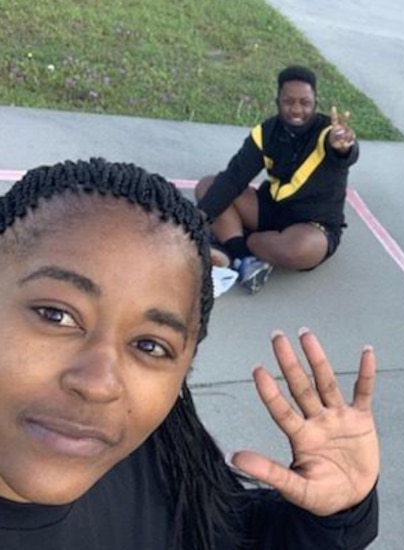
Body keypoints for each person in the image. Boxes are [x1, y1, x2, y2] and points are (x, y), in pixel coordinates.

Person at [0, 158, 379, 549]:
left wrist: (331, 517)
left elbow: (220, 533)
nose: (98, 384)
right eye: (56, 315)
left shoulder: (159, 453)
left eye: (150, 346)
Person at [196, 65, 359, 294]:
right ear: (277, 101)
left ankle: (243, 241)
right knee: (208, 186)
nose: (296, 109)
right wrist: (197, 219)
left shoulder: (328, 134)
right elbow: (234, 178)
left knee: (297, 250)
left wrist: (344, 147)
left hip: (313, 225)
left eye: (305, 102)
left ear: (315, 103)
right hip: (270, 209)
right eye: (288, 101)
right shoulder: (265, 133)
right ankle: (244, 260)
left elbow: (345, 155)